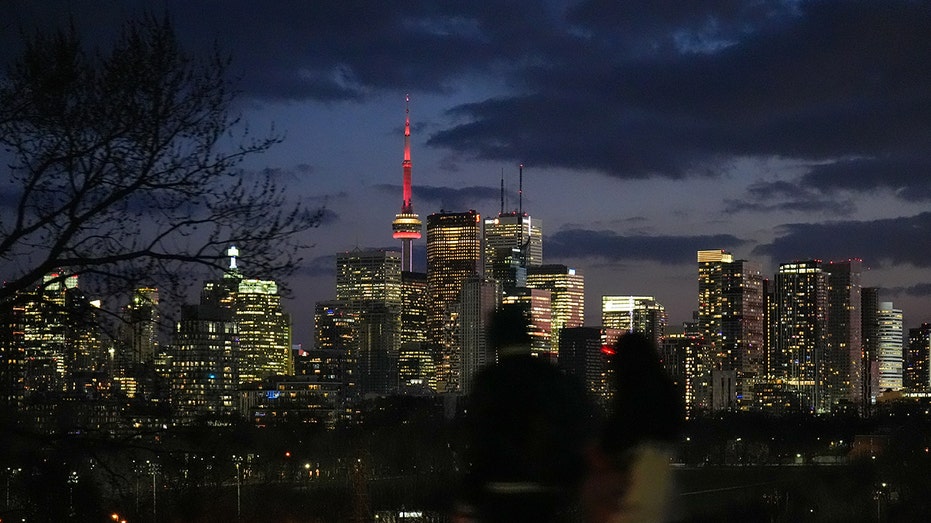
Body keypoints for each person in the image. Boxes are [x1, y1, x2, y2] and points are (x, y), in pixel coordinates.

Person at [460, 304, 596, 522]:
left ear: (495, 338)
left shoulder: (489, 382)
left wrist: (469, 498)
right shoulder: (552, 377)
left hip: (498, 496)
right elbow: (578, 430)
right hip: (545, 497)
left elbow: (479, 444)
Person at [583, 332, 684, 523]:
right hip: (663, 479)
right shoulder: (666, 393)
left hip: (635, 483)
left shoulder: (631, 401)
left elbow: (614, 440)